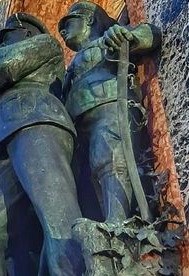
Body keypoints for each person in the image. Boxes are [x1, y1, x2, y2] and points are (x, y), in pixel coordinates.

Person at [0, 12, 85, 276]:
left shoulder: (45, 44)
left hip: (38, 122)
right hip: (1, 146)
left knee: (56, 213)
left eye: (8, 38)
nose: (2, 44)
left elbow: (7, 67)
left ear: (25, 34)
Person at [59, 2, 161, 223]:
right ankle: (107, 220)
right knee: (90, 174)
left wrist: (128, 36)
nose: (63, 31)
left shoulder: (108, 40)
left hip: (109, 106)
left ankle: (118, 221)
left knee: (110, 158)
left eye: (68, 23)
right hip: (78, 127)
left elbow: (151, 33)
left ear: (90, 20)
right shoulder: (71, 66)